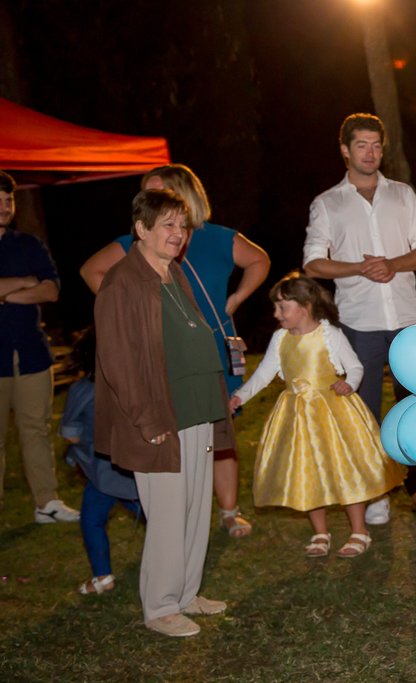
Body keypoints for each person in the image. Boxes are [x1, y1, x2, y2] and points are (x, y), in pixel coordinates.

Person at [80, 164, 269, 538]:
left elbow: (260, 260)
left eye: (160, 193)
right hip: (166, 349)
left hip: (215, 342)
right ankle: (174, 508)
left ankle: (228, 510)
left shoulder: (217, 237)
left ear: (185, 195)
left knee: (222, 429)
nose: (149, 203)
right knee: (172, 426)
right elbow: (92, 272)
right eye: (145, 197)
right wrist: (131, 317)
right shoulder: (136, 244)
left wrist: (234, 301)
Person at [95, 188, 233, 637]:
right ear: (141, 229)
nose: (178, 234)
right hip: (160, 416)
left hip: (196, 408)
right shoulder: (123, 282)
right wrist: (148, 420)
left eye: (183, 225)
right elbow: (118, 361)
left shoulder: (175, 274)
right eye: (168, 225)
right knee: (169, 512)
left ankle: (186, 593)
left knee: (195, 508)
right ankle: (159, 607)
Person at [302, 113, 416, 524]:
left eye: (376, 145)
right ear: (345, 150)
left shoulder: (402, 195)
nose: (370, 153)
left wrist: (392, 264)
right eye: (361, 145)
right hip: (359, 321)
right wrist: (359, 269)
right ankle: (374, 489)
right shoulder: (328, 203)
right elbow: (313, 263)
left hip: (406, 319)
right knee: (364, 412)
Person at [229, 274, 404, 558]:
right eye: (276, 307)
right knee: (306, 471)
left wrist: (349, 383)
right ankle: (320, 531)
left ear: (305, 306)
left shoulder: (329, 334)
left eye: (283, 307)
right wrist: (240, 395)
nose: (276, 314)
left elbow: (355, 366)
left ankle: (359, 530)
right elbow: (263, 373)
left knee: (347, 469)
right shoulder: (280, 338)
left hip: (333, 413)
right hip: (298, 417)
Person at [0, 170, 79, 524]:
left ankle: (46, 503)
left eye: (8, 200)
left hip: (31, 352)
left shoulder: (29, 244)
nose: (4, 207)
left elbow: (50, 290)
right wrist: (22, 282)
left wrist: (5, 292)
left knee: (36, 428)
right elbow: (35, 285)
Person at [60, 326, 143, 595]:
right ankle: (179, 558)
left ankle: (102, 576)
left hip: (104, 472)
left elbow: (70, 434)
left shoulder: (82, 390)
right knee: (154, 515)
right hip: (139, 467)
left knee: (92, 520)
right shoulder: (139, 384)